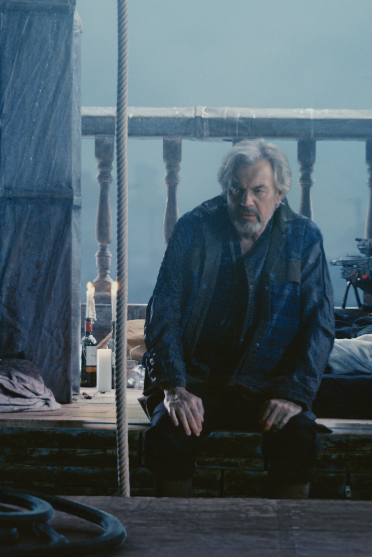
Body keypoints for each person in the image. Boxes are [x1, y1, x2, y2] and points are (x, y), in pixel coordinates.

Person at [141, 139, 335, 500]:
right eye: (236, 190)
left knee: (298, 440)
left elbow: (319, 324)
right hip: (196, 380)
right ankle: (173, 530)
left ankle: (289, 533)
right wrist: (174, 387)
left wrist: (294, 395)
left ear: (279, 194)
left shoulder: (305, 237)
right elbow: (163, 310)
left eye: (258, 191)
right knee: (168, 436)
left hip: (269, 385)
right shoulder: (194, 228)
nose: (246, 201)